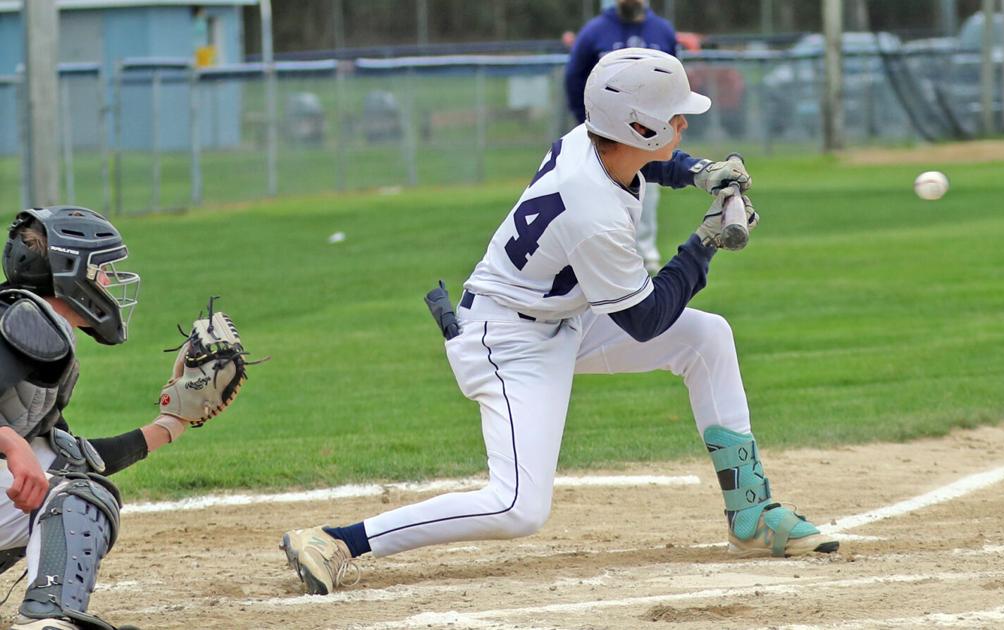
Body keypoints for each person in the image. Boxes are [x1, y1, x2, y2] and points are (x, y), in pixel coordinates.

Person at [280, 48, 838, 597]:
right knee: (517, 507)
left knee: (706, 337)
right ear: (637, 126)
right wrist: (704, 244)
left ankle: (751, 512)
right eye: (672, 118)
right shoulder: (592, 210)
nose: (682, 123)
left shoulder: (590, 142)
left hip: (559, 317)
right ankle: (337, 541)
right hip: (507, 340)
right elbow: (645, 319)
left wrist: (700, 171)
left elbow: (654, 158)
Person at [0, 207, 206, 630]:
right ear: (71, 270)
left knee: (70, 482)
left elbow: (71, 460)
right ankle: (49, 620)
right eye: (102, 269)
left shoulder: (33, 326)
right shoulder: (29, 324)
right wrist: (9, 441)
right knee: (82, 499)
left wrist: (171, 424)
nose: (109, 282)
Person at [565, 0, 678, 274]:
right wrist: (587, 120)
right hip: (606, 132)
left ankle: (645, 252)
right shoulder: (594, 32)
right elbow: (574, 77)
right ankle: (601, 255)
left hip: (650, 128)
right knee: (600, 192)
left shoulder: (662, 30)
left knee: (648, 192)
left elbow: (675, 79)